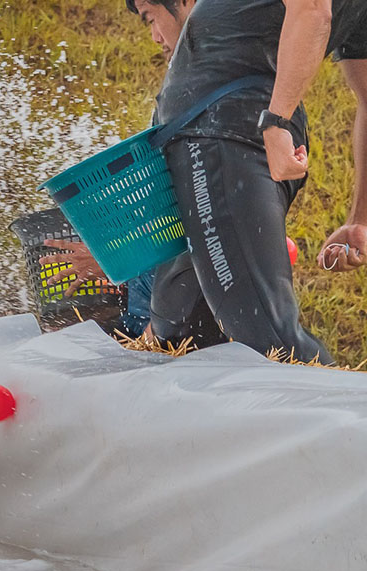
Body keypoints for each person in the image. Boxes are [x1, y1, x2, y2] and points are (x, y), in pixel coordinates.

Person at [146, 0, 367, 364]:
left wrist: (359, 217)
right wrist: (276, 122)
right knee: (179, 327)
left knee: (269, 340)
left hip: (226, 133)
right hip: (222, 126)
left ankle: (341, 415)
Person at [40, 0, 204, 341]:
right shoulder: (177, 95)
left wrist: (117, 259)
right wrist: (120, 265)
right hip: (150, 304)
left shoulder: (202, 100)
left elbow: (196, 225)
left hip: (174, 323)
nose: (155, 37)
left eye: (151, 19)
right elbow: (169, 215)